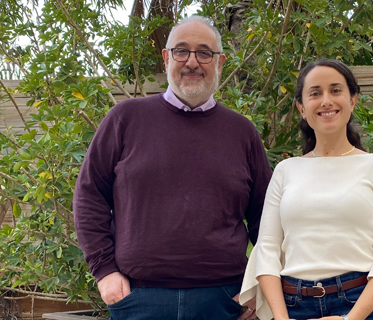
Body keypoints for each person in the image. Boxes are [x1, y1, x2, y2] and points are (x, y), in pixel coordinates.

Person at [73, 15, 271, 320]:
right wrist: (104, 272)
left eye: (204, 52)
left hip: (223, 300)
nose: (192, 62)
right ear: (167, 58)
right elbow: (89, 197)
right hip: (138, 298)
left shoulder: (242, 132)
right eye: (182, 51)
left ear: (220, 63)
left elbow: (266, 219)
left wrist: (262, 285)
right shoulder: (125, 118)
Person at [239, 59, 373, 320]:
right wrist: (281, 318)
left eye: (335, 90)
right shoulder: (285, 171)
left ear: (353, 100)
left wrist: (349, 319)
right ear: (301, 107)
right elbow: (266, 250)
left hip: (361, 306)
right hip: (291, 307)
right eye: (315, 93)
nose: (326, 101)